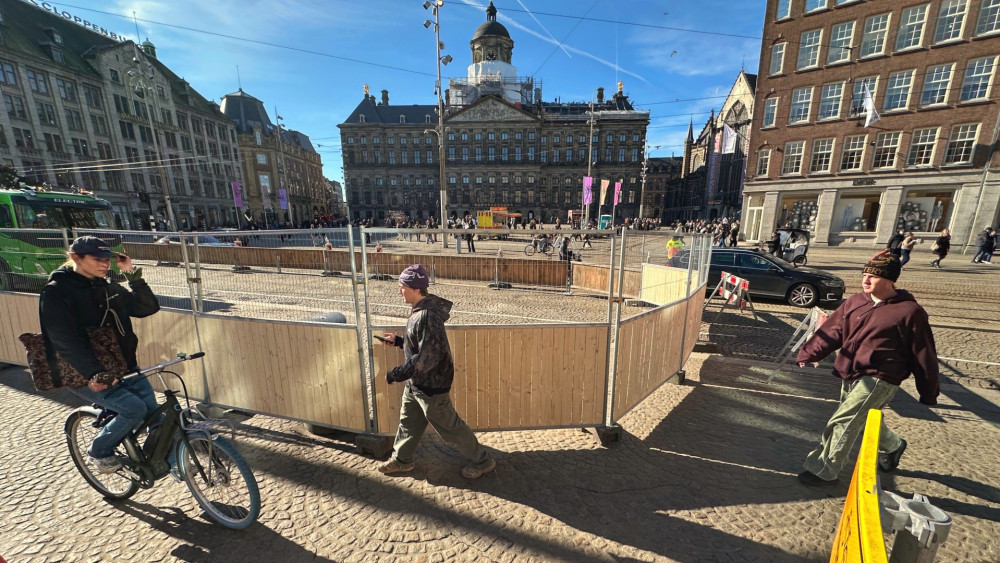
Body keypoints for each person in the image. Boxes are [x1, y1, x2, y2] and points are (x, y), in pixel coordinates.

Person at [795, 253, 938, 486]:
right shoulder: (856, 301)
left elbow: (924, 354)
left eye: (873, 276)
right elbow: (833, 331)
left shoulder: (910, 312)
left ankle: (824, 470)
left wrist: (928, 391)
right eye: (864, 275)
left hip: (882, 377)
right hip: (851, 370)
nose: (866, 280)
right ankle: (894, 446)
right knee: (860, 420)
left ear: (889, 280)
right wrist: (810, 352)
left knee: (844, 420)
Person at [39, 236, 161, 473]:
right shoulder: (56, 292)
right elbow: (64, 339)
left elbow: (146, 308)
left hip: (124, 365)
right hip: (86, 372)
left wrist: (132, 275)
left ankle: (170, 462)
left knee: (155, 415)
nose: (105, 264)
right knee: (134, 409)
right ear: (76, 257)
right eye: (98, 259)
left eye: (108, 259)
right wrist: (95, 373)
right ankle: (100, 450)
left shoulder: (106, 286)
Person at [377, 265, 496, 479]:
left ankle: (483, 461)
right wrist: (400, 342)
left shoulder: (427, 316)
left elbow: (426, 357)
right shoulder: (421, 311)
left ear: (413, 288)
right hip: (417, 384)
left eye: (401, 287)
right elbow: (424, 346)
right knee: (408, 423)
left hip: (431, 387)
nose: (399, 291)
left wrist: (396, 373)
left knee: (451, 429)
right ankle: (402, 460)